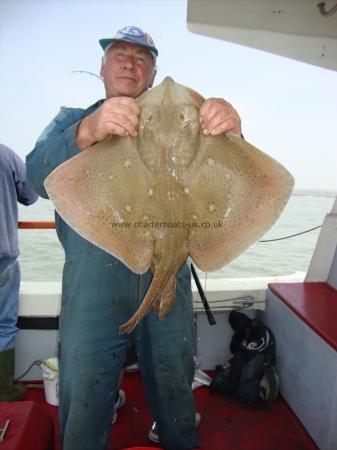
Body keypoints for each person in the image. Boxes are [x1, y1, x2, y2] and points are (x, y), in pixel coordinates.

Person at [26, 26, 241, 450]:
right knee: (84, 393)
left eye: (141, 58)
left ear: (154, 72)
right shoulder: (73, 120)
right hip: (94, 286)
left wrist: (231, 132)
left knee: (175, 385)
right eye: (119, 54)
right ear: (102, 67)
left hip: (171, 273)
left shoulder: (188, 123)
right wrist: (87, 131)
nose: (130, 62)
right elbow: (36, 178)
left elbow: (237, 179)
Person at [0, 143, 38, 401]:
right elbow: (31, 194)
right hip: (3, 254)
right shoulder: (4, 154)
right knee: (3, 325)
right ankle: (4, 391)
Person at [210, 310, 277, 405]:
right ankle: (232, 384)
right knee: (230, 370)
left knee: (241, 374)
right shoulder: (244, 333)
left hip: (263, 361)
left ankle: (235, 388)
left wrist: (232, 372)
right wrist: (229, 365)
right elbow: (236, 350)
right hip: (251, 360)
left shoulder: (261, 331)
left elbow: (246, 356)